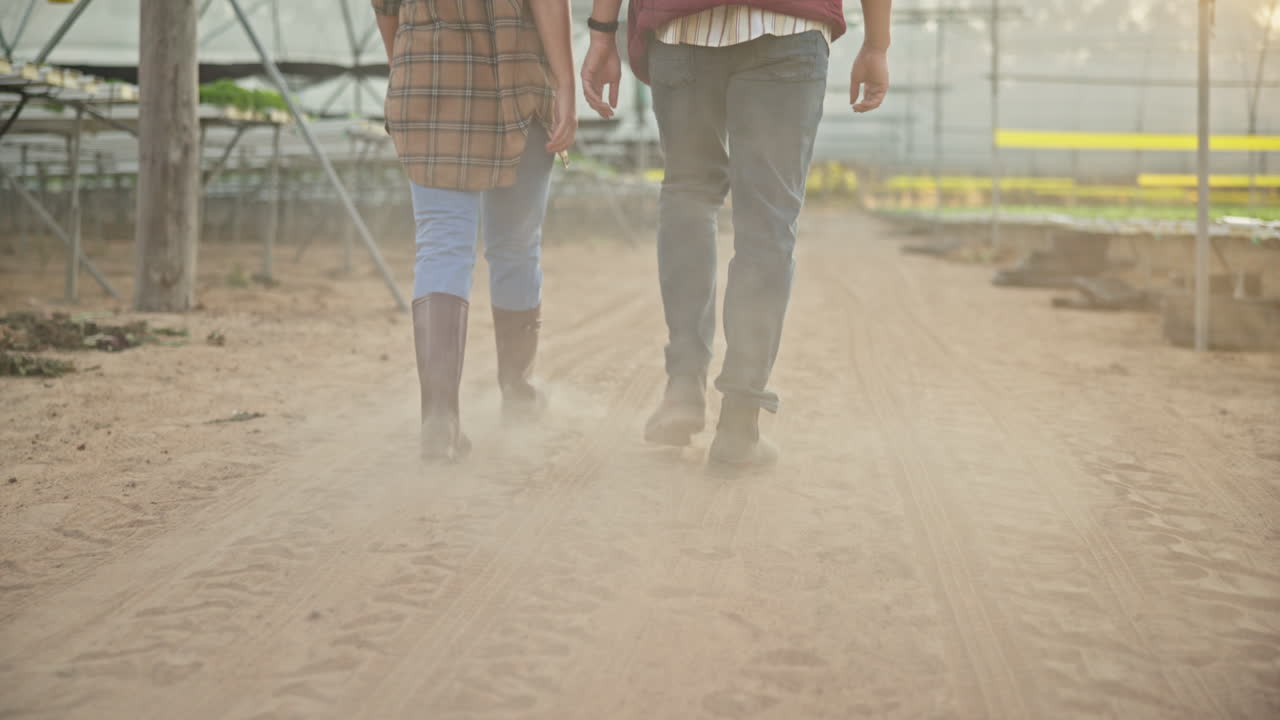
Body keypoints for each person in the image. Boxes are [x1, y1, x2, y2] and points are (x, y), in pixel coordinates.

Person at [579, 0, 892, 468]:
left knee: (688, 194)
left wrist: (602, 33)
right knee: (767, 222)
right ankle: (740, 425)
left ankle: (683, 389)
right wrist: (877, 43)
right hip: (789, 27)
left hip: (681, 26)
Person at [373, 0, 577, 461]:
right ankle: (518, 393)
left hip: (426, 78)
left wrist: (407, 64)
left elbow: (385, 7)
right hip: (516, 80)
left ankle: (440, 420)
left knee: (442, 245)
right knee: (515, 248)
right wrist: (564, 82)